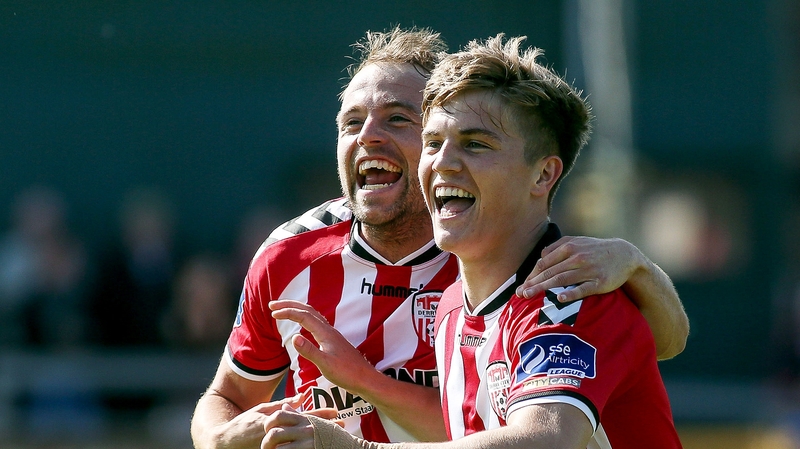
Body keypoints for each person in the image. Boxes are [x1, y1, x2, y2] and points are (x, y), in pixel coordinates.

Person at [191, 27, 688, 449]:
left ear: (542, 176)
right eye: (435, 142)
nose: (368, 136)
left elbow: (543, 438)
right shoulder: (456, 307)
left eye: (474, 143)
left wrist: (636, 264)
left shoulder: (565, 290)